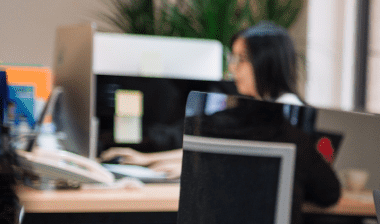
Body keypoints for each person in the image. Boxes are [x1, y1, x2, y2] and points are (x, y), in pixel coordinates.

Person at [100, 21, 306, 177]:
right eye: (232, 59)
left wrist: (191, 170)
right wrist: (146, 159)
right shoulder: (258, 107)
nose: (233, 68)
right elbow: (215, 150)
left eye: (241, 59)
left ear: (267, 62)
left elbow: (249, 166)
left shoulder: (287, 109)